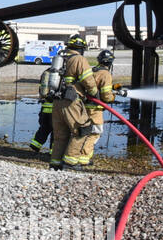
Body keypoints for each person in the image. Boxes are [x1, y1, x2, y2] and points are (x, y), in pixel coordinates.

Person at [49, 35, 98, 170]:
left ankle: (55, 164)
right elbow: (87, 79)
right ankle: (70, 162)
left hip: (57, 101)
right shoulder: (79, 59)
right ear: (81, 49)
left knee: (60, 135)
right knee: (83, 129)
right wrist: (95, 93)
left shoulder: (61, 59)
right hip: (71, 101)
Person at [80, 49, 118, 167]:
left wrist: (114, 88)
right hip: (95, 109)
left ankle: (76, 154)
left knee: (83, 131)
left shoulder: (92, 71)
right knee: (95, 132)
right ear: (110, 63)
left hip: (83, 107)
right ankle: (84, 158)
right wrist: (113, 97)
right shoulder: (106, 74)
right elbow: (106, 96)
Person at [29, 46, 69, 154]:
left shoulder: (46, 72)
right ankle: (53, 151)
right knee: (57, 131)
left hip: (45, 108)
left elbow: (42, 90)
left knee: (44, 128)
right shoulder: (63, 74)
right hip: (56, 108)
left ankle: (35, 145)